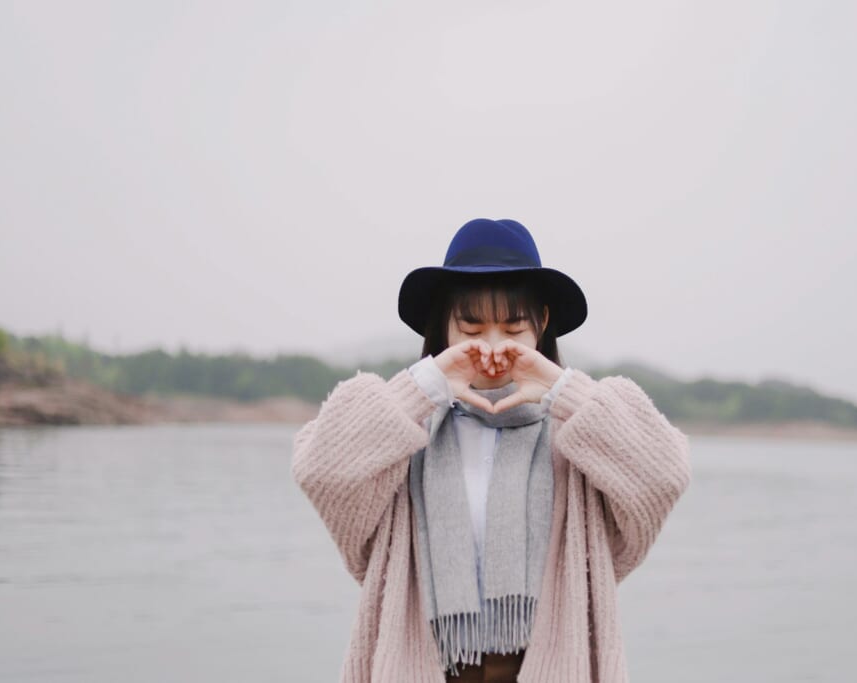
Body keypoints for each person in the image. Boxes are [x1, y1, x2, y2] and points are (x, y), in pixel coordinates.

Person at [291, 218, 692, 682]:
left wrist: (562, 389)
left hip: (550, 663)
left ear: (541, 325)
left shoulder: (578, 434)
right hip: (426, 664)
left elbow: (665, 471)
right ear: (444, 328)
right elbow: (320, 469)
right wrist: (424, 386)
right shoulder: (406, 427)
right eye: (472, 327)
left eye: (513, 328)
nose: (494, 347)